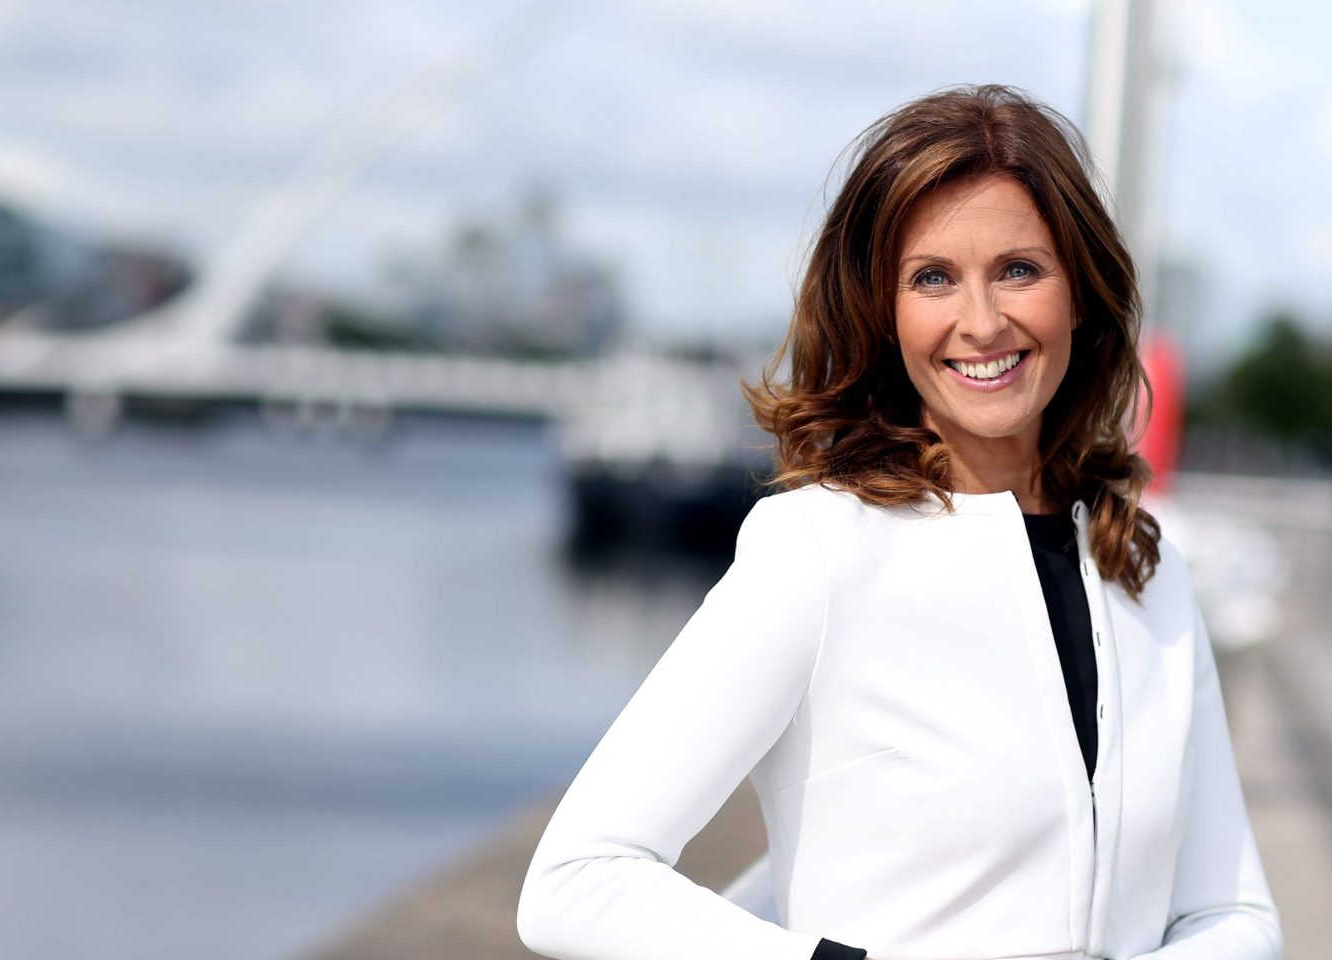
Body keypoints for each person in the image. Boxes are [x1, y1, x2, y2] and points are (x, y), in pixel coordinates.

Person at [517, 85, 1282, 960]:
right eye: (932, 278)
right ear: (883, 314)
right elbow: (577, 880)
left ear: (1079, 292)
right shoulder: (819, 552)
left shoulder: (1149, 569)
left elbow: (1233, 914)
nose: (982, 322)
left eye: (1019, 270)